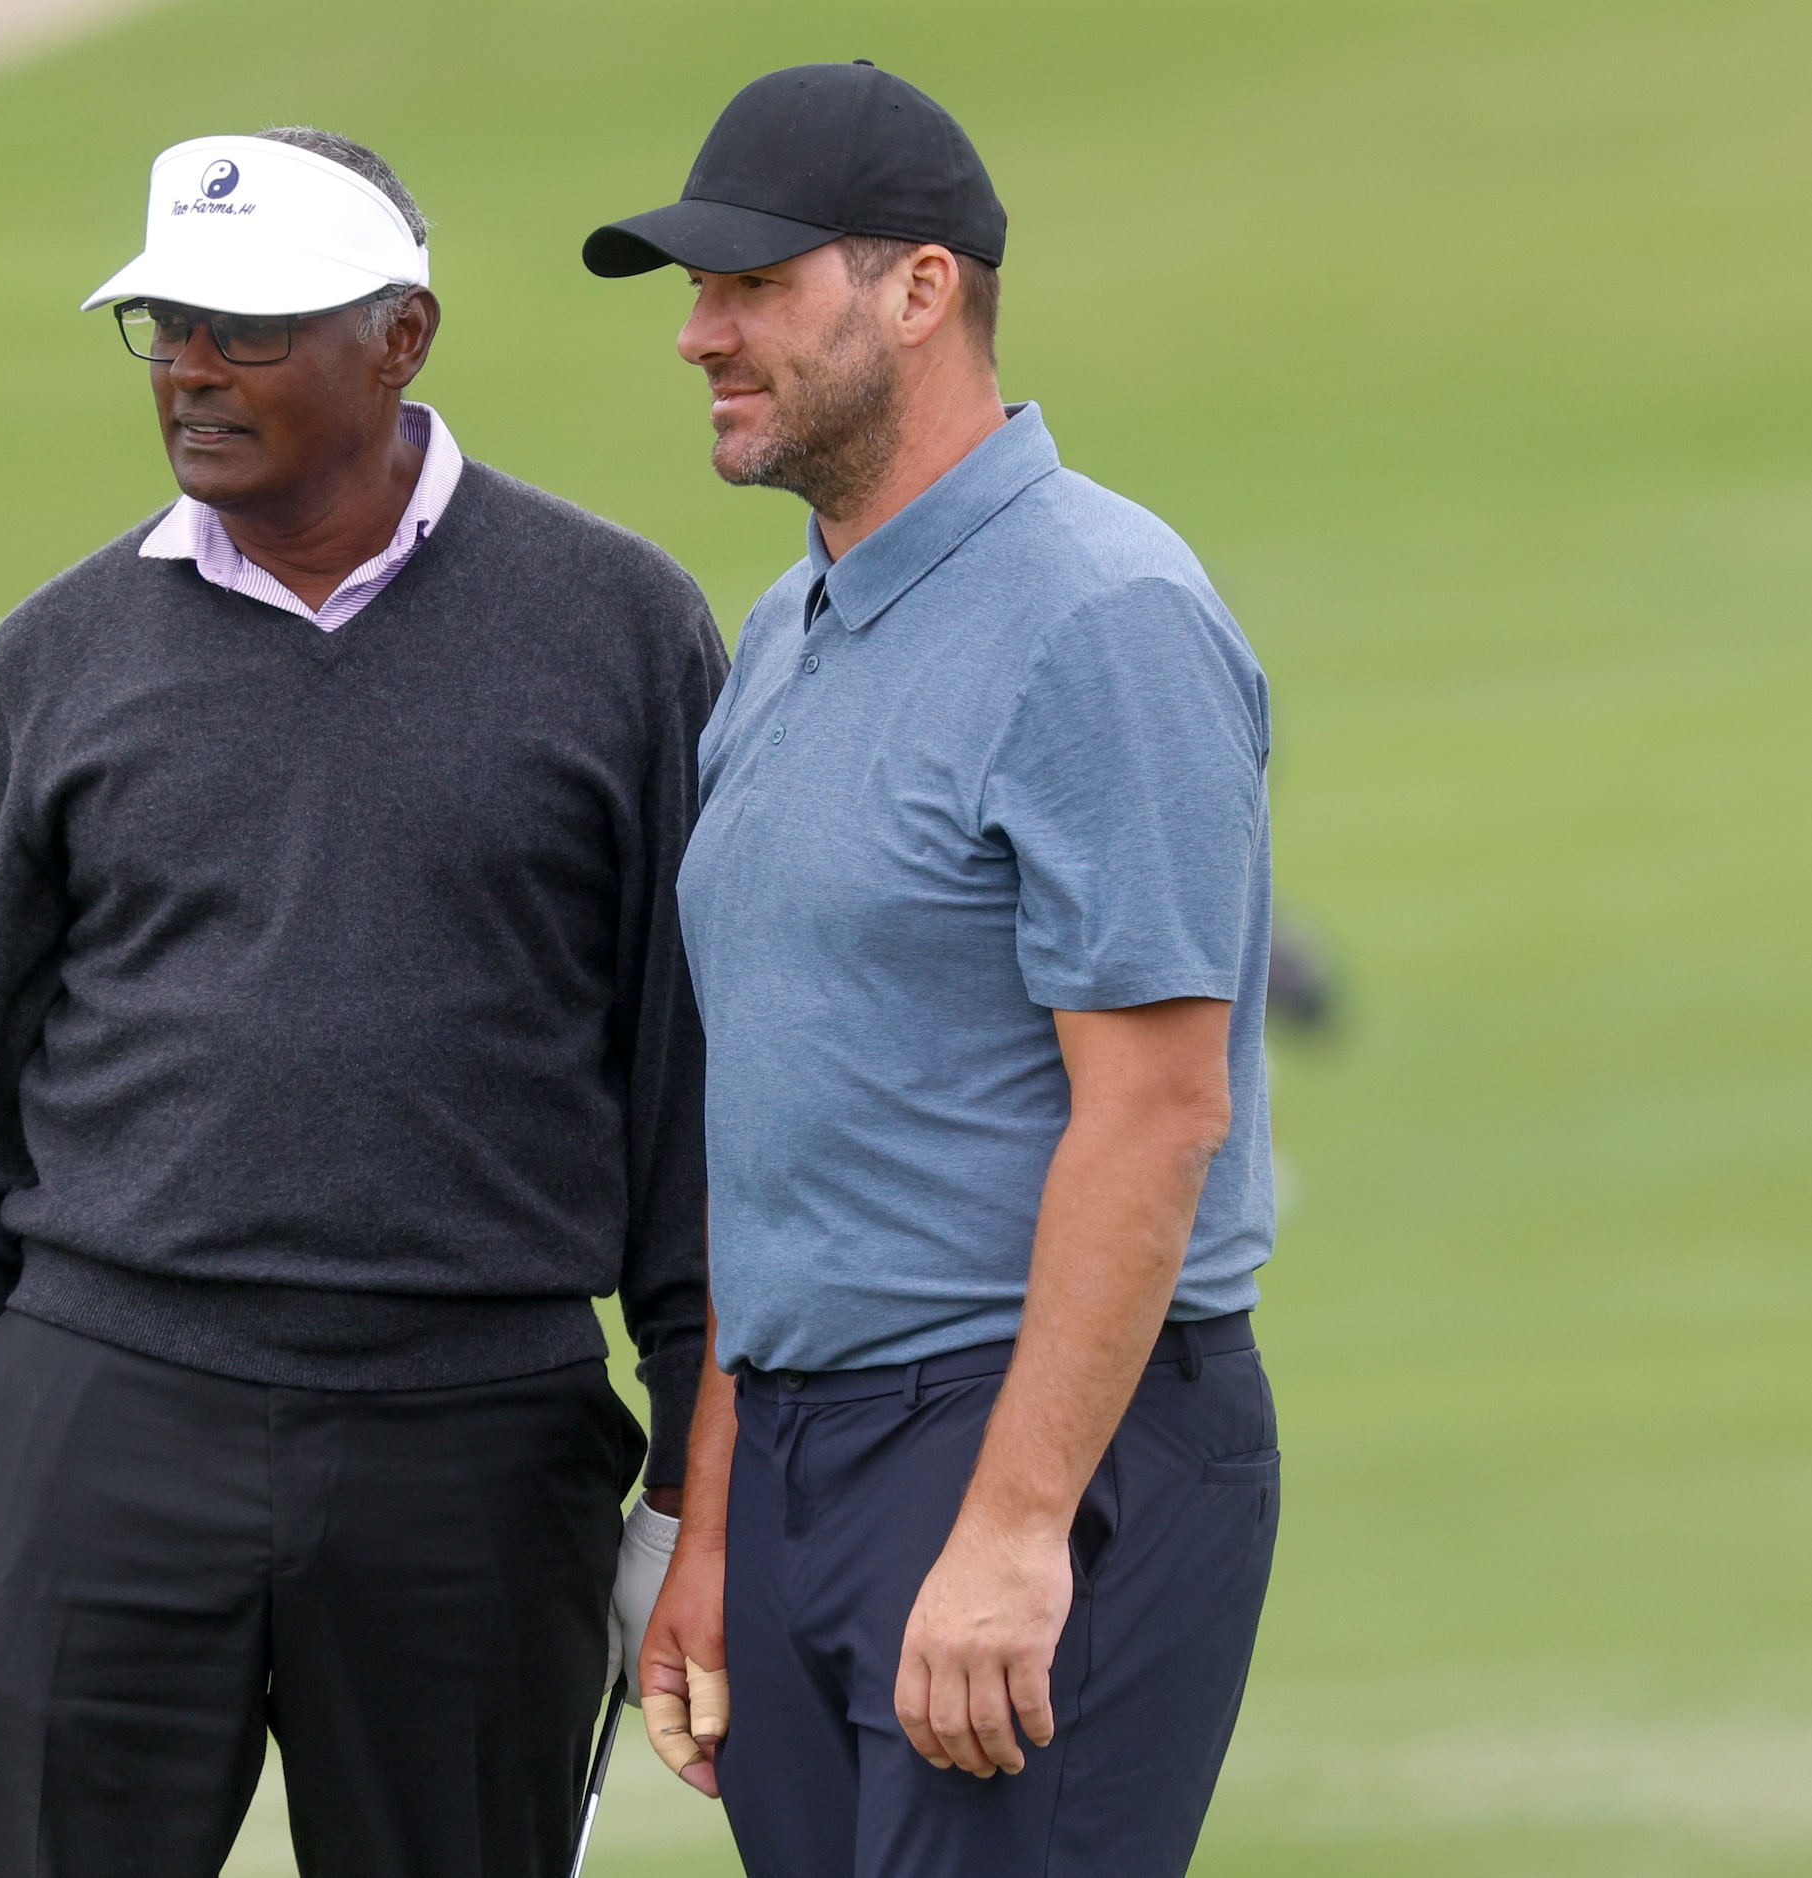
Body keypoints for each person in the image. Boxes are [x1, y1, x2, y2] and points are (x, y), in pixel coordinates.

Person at [0, 127, 725, 1878]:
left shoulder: (619, 629)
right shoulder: (56, 657)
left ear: (399, 338)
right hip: (107, 1408)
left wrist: (700, 1500)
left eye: (245, 326)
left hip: (478, 1442)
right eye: (166, 321)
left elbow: (690, 1107)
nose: (189, 366)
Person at [586, 63, 1282, 1878]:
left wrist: (1014, 1521)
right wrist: (720, 1521)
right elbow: (775, 1117)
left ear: (918, 290)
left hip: (1036, 1436)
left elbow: (1155, 1107)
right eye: (695, 291)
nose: (698, 335)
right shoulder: (783, 628)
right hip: (813, 1449)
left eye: (751, 286)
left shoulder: (1098, 616)